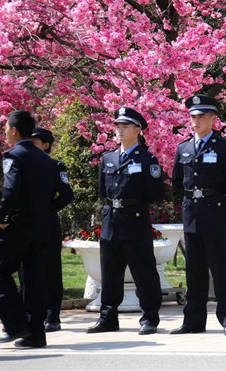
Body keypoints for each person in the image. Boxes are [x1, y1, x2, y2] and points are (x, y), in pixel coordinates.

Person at [170, 94, 226, 336]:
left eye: (201, 117)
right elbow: (176, 180)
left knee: (221, 269)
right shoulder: (183, 147)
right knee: (194, 271)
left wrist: (214, 192)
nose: (195, 121)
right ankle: (193, 321)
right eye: (192, 117)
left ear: (213, 119)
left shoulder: (224, 147)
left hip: (215, 213)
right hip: (192, 214)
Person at [0, 110, 65, 348]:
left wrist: (3, 218)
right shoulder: (47, 160)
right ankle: (35, 334)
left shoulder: (14, 156)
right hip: (43, 227)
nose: (5, 133)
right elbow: (60, 194)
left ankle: (15, 325)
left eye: (6, 128)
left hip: (19, 226)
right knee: (33, 280)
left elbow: (10, 191)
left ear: (14, 130)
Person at [87, 108, 164, 335]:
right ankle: (108, 317)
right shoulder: (108, 158)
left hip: (136, 221)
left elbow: (156, 194)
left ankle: (149, 317)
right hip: (112, 221)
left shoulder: (147, 159)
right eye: (118, 126)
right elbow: (103, 190)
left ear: (138, 131)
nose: (120, 131)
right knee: (110, 273)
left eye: (126, 127)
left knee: (144, 272)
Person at [31, 127, 74, 332]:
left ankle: (52, 316)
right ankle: (30, 315)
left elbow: (67, 195)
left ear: (45, 145)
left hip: (47, 226)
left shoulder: (55, 166)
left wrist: (47, 210)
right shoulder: (20, 164)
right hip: (24, 226)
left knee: (50, 272)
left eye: (34, 142)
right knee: (26, 271)